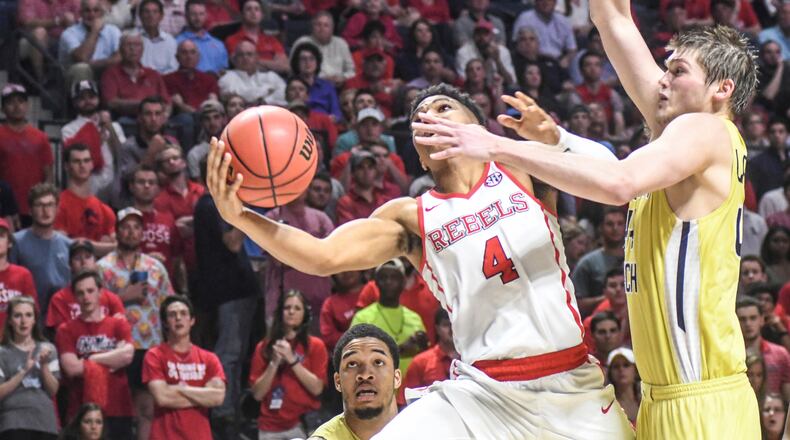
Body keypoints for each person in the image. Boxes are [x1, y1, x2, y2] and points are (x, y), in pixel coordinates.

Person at [207, 83, 634, 438]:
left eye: (444, 108)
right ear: (421, 155)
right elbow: (322, 256)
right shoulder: (412, 216)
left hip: (572, 384)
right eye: (420, 121)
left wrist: (556, 139)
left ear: (476, 127)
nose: (430, 118)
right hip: (483, 395)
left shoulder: (521, 170)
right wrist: (241, 217)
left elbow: (618, 179)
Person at [412, 8, 762, 438]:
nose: (662, 79)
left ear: (721, 89)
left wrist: (493, 145)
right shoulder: (676, 142)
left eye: (677, 71)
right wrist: (559, 140)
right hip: (666, 397)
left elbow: (618, 183)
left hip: (703, 401)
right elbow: (613, 19)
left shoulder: (704, 129)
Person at [96, 207, 174, 440]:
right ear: (117, 231)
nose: (131, 232)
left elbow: (168, 304)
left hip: (149, 346)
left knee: (146, 409)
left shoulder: (155, 267)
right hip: (114, 346)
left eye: (136, 227)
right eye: (126, 227)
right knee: (116, 410)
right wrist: (123, 296)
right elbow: (92, 307)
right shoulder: (102, 267)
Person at [56, 270, 134, 439]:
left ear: (100, 292)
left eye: (90, 291)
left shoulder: (118, 324)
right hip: (82, 411)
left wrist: (92, 359)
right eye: (80, 293)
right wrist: (112, 357)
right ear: (75, 297)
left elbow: (127, 356)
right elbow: (72, 368)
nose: (86, 297)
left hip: (118, 407)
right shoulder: (66, 330)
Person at [143, 295, 226, 440]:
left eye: (183, 313)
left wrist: (180, 389)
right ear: (165, 322)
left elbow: (217, 397)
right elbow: (162, 397)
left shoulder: (209, 359)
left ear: (192, 320)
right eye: (172, 315)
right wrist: (201, 395)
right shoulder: (154, 355)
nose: (178, 318)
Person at [250, 290, 327, 439]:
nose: (291, 312)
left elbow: (317, 388)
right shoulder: (264, 347)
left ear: (305, 314)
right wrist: (274, 363)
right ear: (280, 312)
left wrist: (292, 359)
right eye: (287, 308)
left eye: (297, 308)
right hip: (270, 425)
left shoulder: (316, 346)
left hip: (304, 423)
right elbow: (258, 394)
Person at [308, 324, 401, 440]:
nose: (365, 375)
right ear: (338, 382)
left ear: (396, 378)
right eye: (352, 364)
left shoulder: (423, 430)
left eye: (378, 362)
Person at [0, 296, 59, 440]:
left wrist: (44, 366)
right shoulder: (2, 352)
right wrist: (23, 371)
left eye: (28, 315)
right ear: (10, 321)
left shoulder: (48, 348)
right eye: (17, 315)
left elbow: (53, 390)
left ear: (34, 320)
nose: (23, 321)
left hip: (45, 422)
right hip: (13, 422)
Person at [12, 184, 71, 317]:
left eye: (50, 205)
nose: (46, 210)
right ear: (30, 210)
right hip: (27, 318)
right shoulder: (16, 242)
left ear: (57, 209)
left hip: (60, 318)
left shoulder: (68, 245)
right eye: (39, 205)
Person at [62, 80, 125, 199]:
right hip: (87, 187)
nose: (87, 101)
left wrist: (109, 127)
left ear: (98, 99)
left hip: (114, 185)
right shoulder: (68, 129)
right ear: (75, 102)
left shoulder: (114, 126)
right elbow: (75, 159)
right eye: (82, 98)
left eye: (91, 96)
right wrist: (97, 136)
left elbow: (122, 155)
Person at [0, 84, 53, 223]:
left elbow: (48, 175)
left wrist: (45, 205)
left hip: (35, 208)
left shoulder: (41, 137)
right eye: (10, 102)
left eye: (21, 101)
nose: (17, 106)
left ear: (27, 105)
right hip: (5, 210)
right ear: (2, 108)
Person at [46, 240, 125, 333]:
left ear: (95, 262)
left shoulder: (112, 299)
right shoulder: (59, 299)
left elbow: (122, 333)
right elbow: (61, 335)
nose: (83, 262)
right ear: (70, 265)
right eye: (77, 258)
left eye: (88, 257)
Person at [54, 144, 117, 255]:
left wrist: (83, 243)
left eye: (86, 160)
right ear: (67, 166)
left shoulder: (104, 209)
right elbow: (60, 245)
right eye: (76, 161)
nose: (82, 165)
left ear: (92, 164)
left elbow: (117, 247)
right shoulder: (57, 205)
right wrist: (102, 246)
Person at [100, 30, 171, 118]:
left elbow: (167, 102)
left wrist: (165, 116)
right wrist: (143, 104)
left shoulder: (153, 74)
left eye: (137, 45)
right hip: (127, 120)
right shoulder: (110, 74)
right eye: (128, 45)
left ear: (142, 50)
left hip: (154, 120)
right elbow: (110, 102)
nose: (132, 49)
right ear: (120, 49)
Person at [572, 207, 626, 317]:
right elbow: (576, 304)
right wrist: (608, 298)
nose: (615, 228)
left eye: (620, 223)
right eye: (610, 224)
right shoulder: (587, 263)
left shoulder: (636, 259)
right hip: (596, 326)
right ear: (601, 227)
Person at [737, 297, 790, 402]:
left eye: (753, 318)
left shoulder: (780, 354)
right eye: (742, 319)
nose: (748, 324)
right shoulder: (730, 356)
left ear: (762, 319)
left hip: (772, 413)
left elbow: (788, 398)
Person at [403, 308, 458, 400]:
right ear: (437, 328)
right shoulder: (421, 362)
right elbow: (407, 400)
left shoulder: (470, 360)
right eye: (446, 325)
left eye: (455, 325)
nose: (451, 330)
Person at [223, 0, 289, 75]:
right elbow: (241, 66)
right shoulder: (232, 40)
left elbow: (285, 67)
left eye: (257, 9)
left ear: (262, 15)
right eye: (249, 9)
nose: (253, 12)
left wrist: (253, 62)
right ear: (242, 14)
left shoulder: (272, 40)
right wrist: (272, 64)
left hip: (272, 81)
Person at [293, 11, 356, 86]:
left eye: (326, 25)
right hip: (310, 86)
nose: (322, 28)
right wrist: (321, 79)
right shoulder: (302, 42)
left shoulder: (341, 43)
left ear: (332, 28)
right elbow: (294, 70)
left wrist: (342, 77)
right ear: (312, 27)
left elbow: (351, 71)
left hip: (339, 86)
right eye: (318, 25)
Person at [218, 40, 287, 106]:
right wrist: (267, 90)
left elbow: (284, 93)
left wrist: (266, 101)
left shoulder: (270, 76)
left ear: (257, 58)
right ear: (235, 59)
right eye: (241, 55)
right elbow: (233, 96)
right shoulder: (227, 78)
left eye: (249, 54)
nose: (245, 57)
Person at [0, 218, 39, 330]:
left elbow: (33, 311)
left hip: (16, 341)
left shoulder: (23, 275)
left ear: (10, 243)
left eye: (1, 236)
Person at [175, 0, 228, 75]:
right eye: (193, 14)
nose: (198, 18)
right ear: (186, 16)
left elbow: (224, 71)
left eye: (201, 14)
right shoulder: (176, 43)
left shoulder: (219, 44)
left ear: (206, 15)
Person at [607, 347, 641, 425]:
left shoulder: (646, 401)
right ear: (610, 373)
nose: (621, 369)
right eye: (616, 366)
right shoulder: (607, 406)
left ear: (635, 370)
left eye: (626, 365)